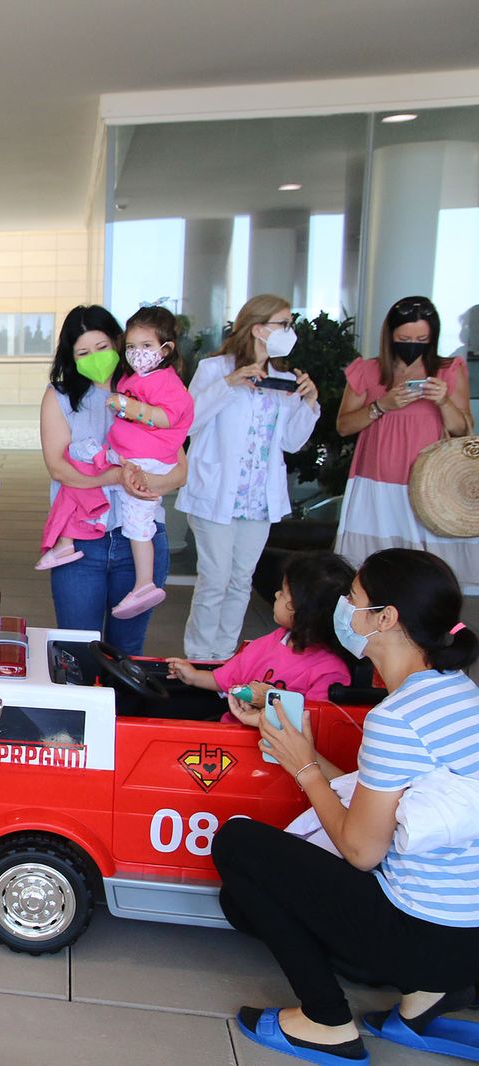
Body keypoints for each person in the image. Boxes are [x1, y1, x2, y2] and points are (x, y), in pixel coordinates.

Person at [212, 549, 479, 1064]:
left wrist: (305, 768)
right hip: (463, 939)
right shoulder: (457, 692)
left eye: (352, 599)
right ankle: (424, 999)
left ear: (386, 618)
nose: (343, 610)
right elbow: (383, 800)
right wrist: (303, 753)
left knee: (239, 845)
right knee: (241, 897)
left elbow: (360, 850)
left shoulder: (396, 718)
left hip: (419, 934)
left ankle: (326, 1022)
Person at [176, 295, 322, 660]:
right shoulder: (215, 369)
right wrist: (230, 384)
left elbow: (291, 441)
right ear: (258, 328)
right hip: (216, 494)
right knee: (214, 580)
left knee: (241, 580)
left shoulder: (285, 379)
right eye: (283, 324)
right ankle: (199, 657)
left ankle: (224, 657)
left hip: (259, 499)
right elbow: (188, 422)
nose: (289, 332)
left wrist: (310, 403)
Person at [40, 305, 187, 653]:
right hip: (81, 545)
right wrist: (120, 476)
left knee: (127, 651)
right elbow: (59, 469)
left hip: (140, 542)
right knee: (77, 651)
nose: (95, 358)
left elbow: (180, 469)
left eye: (102, 347)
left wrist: (144, 482)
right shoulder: (60, 397)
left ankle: (123, 709)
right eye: (83, 352)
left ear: (119, 344)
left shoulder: (149, 391)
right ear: (70, 356)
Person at [335, 296, 475, 585]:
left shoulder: (449, 370)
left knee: (429, 574)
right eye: (404, 337)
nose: (413, 344)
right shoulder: (367, 370)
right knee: (373, 571)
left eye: (422, 338)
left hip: (432, 487)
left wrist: (444, 401)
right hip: (376, 485)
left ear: (432, 337)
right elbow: (344, 426)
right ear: (390, 336)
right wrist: (381, 405)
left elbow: (463, 430)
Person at [90, 307, 194, 619]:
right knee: (89, 468)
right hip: (128, 454)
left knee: (138, 522)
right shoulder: (136, 378)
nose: (138, 353)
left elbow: (168, 417)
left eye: (147, 347)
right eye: (132, 347)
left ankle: (145, 583)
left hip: (147, 461)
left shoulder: (166, 382)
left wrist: (134, 408)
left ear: (166, 349)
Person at [166, 551, 353, 715]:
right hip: (234, 730)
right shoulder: (276, 640)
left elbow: (314, 721)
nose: (277, 595)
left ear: (306, 611)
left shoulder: (328, 672)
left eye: (284, 593)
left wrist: (265, 704)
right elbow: (231, 678)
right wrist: (193, 676)